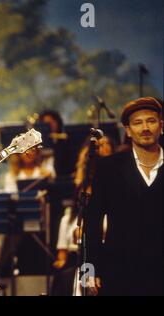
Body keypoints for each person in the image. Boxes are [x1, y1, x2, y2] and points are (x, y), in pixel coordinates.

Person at [86, 97, 163, 296]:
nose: (145, 128)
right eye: (138, 123)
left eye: (151, 121)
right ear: (128, 131)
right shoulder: (108, 168)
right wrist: (90, 269)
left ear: (161, 126)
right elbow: (93, 221)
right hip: (119, 273)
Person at [51, 136, 115, 296]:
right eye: (98, 145)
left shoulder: (113, 187)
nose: (102, 148)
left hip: (103, 256)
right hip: (76, 259)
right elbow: (62, 255)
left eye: (106, 144)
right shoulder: (70, 215)